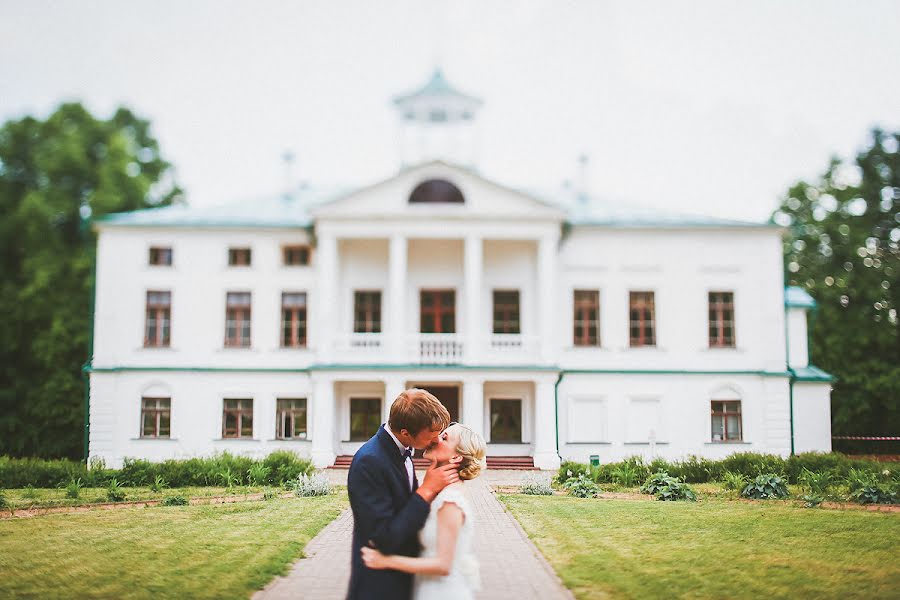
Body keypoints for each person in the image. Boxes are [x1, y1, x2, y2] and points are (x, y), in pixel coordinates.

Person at [346, 388, 459, 600]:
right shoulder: (369, 462)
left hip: (406, 578)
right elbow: (383, 538)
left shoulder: (403, 451)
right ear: (406, 432)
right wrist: (426, 490)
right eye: (431, 434)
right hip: (380, 585)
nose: (436, 440)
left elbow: (404, 508)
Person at [361, 422, 487, 600]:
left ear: (456, 457)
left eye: (444, 437)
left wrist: (386, 560)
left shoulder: (450, 501)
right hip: (427, 588)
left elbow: (443, 565)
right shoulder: (437, 490)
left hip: (443, 593)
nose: (435, 438)